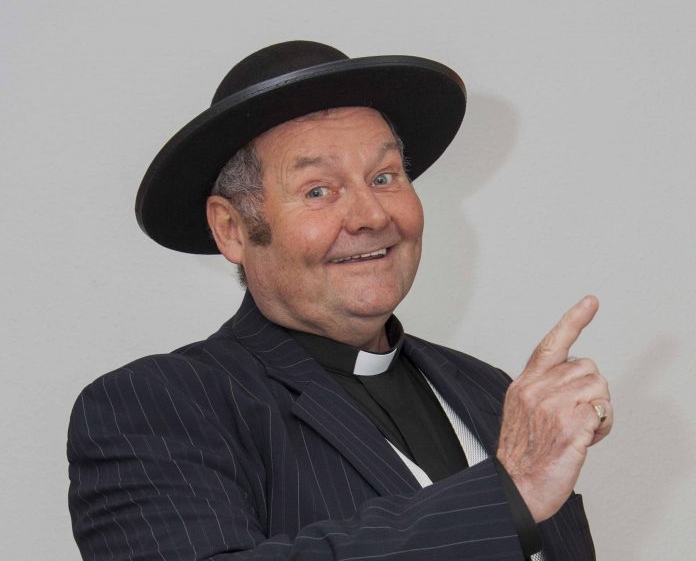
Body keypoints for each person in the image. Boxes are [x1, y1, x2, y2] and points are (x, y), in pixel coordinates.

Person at [68, 41, 612, 560]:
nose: (372, 216)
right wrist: (509, 493)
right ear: (232, 229)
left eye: (384, 177)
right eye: (318, 191)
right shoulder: (158, 406)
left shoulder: (491, 390)